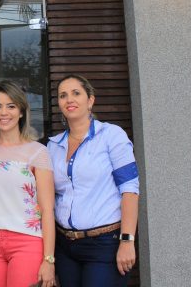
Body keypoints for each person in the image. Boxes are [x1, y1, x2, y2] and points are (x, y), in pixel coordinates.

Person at [47, 74, 139, 287]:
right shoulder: (53, 146)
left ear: (90, 100)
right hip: (65, 246)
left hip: (104, 245)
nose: (69, 99)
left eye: (76, 93)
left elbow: (130, 190)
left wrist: (127, 241)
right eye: (63, 95)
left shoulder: (111, 136)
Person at [0, 81, 56, 287]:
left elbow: (47, 210)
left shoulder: (38, 152)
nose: (4, 112)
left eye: (11, 106)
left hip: (27, 242)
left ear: (21, 111)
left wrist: (49, 259)